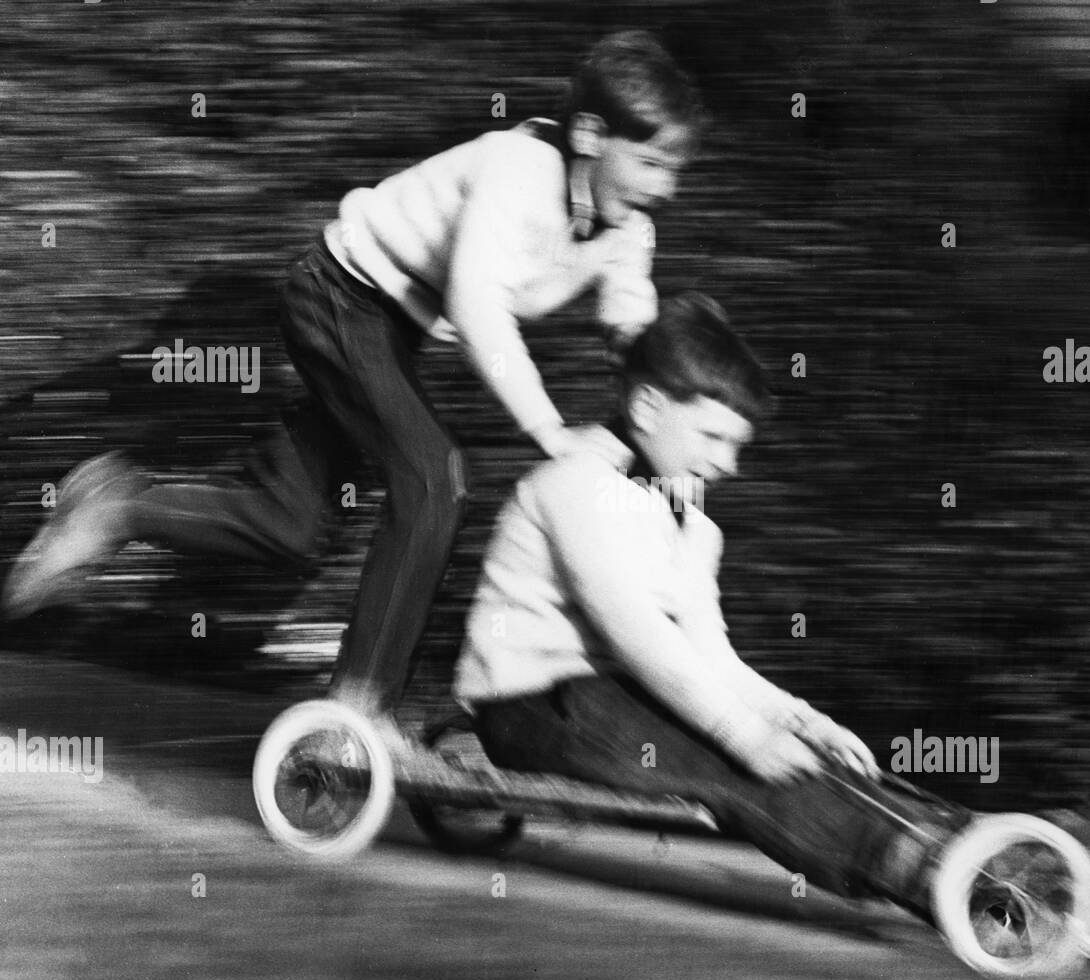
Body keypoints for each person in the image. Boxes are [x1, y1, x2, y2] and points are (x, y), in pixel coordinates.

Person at [3, 31, 704, 721]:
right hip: (337, 295)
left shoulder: (627, 228)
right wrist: (550, 430)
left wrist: (654, 421)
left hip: (389, 331)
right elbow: (477, 305)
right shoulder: (517, 171)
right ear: (589, 134)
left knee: (291, 525)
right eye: (649, 163)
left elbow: (632, 327)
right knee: (436, 479)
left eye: (673, 169)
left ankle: (116, 506)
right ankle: (360, 708)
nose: (665, 188)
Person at [449, 292, 969, 902]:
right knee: (735, 760)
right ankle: (921, 869)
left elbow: (711, 662)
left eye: (737, 446)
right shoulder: (576, 486)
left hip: (623, 695)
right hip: (534, 704)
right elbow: (638, 636)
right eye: (713, 437)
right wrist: (746, 736)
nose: (729, 464)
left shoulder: (694, 527)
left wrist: (802, 720)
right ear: (647, 407)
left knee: (795, 750)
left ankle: (967, 841)